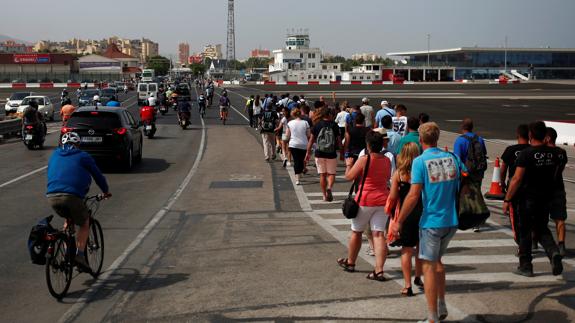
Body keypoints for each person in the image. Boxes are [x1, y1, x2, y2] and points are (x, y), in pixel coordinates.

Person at [390, 122, 463, 323]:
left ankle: (432, 317)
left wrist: (399, 221)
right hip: (451, 220)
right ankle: (441, 303)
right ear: (437, 138)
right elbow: (465, 178)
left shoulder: (420, 161)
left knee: (429, 267)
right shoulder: (453, 157)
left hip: (431, 220)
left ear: (421, 140)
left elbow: (413, 195)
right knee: (437, 261)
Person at [503, 121, 564, 278]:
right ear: (545, 135)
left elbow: (516, 179)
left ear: (530, 135)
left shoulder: (527, 154)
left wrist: (507, 199)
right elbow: (557, 174)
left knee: (525, 232)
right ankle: (553, 251)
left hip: (527, 199)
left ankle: (526, 266)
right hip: (545, 199)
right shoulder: (555, 154)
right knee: (542, 228)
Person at [46, 132, 111, 270]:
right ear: (77, 144)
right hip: (72, 196)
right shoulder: (83, 156)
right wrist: (105, 191)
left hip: (52, 196)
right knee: (85, 222)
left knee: (68, 220)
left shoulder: (54, 155)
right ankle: (80, 255)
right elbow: (97, 175)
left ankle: (65, 254)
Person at [338, 130, 391, 281]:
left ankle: (351, 262)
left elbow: (349, 176)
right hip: (382, 200)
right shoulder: (386, 160)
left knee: (356, 232)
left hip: (365, 200)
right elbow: (387, 177)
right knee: (379, 234)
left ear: (368, 145)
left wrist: (348, 165)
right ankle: (379, 270)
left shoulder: (364, 159)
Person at [386, 142, 424, 297]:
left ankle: (407, 285)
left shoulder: (399, 174)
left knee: (406, 250)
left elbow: (393, 197)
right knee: (420, 249)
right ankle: (418, 277)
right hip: (422, 212)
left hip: (405, 215)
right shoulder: (421, 172)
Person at [453, 118, 488, 232]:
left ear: (462, 127)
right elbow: (484, 153)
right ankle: (477, 222)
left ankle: (463, 218)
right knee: (477, 195)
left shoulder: (460, 140)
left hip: (466, 173)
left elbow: (457, 159)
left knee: (463, 196)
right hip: (478, 172)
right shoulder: (479, 139)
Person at [500, 124, 530, 245]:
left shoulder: (510, 150)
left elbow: (503, 169)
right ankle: (531, 238)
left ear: (517, 135)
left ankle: (520, 244)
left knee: (515, 217)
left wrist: (502, 183)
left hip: (514, 187)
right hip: (531, 187)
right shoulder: (532, 150)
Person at [305, 107, 340, 202]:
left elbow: (311, 140)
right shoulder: (335, 125)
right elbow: (338, 140)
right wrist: (341, 150)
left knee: (322, 175)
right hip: (331, 153)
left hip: (319, 153)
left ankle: (324, 195)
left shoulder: (317, 125)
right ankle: (329, 188)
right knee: (331, 174)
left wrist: (307, 153)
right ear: (329, 115)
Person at [546, 127, 568, 257]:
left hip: (544, 189)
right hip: (559, 188)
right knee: (560, 218)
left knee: (539, 217)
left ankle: (534, 241)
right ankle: (561, 244)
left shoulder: (544, 153)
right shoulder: (562, 152)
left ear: (548, 138)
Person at [285, 108, 311, 185]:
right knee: (301, 160)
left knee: (296, 161)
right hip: (303, 144)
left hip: (293, 144)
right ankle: (301, 172)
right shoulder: (305, 123)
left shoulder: (290, 123)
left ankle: (297, 178)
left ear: (293, 115)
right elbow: (309, 135)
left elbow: (287, 135)